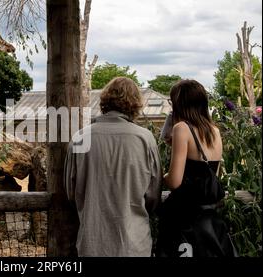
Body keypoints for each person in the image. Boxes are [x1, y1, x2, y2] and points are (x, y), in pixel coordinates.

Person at [64, 77, 162, 257]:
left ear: (104, 102)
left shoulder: (80, 138)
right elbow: (153, 196)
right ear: (135, 105)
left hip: (92, 243)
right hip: (134, 244)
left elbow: (71, 193)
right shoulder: (145, 139)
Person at [156, 79, 237, 257]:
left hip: (185, 219)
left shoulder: (182, 129)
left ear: (179, 103)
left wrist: (161, 176)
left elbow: (175, 182)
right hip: (209, 219)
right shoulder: (214, 130)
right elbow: (210, 176)